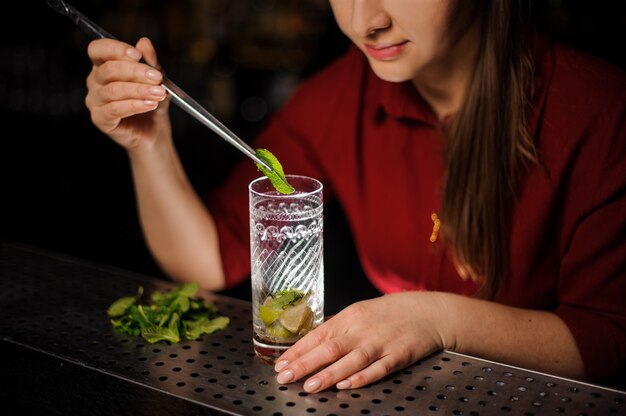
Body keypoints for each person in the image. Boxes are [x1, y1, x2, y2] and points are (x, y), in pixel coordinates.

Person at [84, 0, 626, 392]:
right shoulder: (337, 97)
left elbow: (607, 336)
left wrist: (439, 321)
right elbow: (204, 261)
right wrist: (149, 147)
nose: (366, 20)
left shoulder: (599, 110)